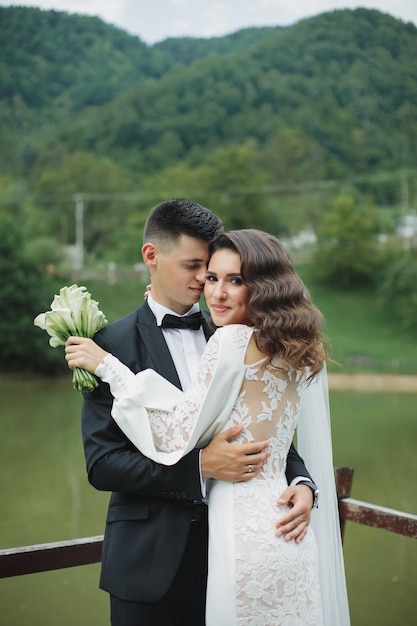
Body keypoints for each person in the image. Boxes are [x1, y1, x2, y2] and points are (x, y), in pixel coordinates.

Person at [70, 201, 320, 626]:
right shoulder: (107, 345)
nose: (205, 280)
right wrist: (201, 466)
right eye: (195, 266)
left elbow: (263, 425)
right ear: (152, 256)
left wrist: (302, 481)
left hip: (237, 556)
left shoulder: (234, 332)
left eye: (213, 269)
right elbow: (103, 465)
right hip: (149, 565)